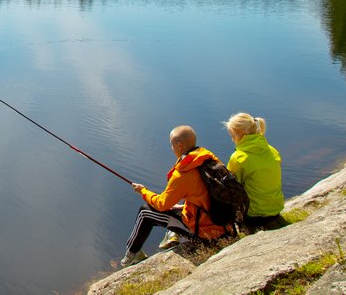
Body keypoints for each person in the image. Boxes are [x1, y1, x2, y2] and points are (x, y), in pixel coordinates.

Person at [121, 125, 226, 266]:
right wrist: (181, 206)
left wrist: (143, 191)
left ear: (180, 145)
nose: (172, 148)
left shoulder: (183, 174)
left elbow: (162, 204)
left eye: (172, 145)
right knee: (174, 208)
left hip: (205, 232)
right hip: (222, 224)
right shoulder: (209, 160)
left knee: (145, 212)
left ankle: (131, 255)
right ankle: (170, 236)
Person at [223, 113, 284, 231]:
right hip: (276, 208)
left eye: (232, 135)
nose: (232, 139)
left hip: (254, 216)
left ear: (239, 134)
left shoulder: (239, 158)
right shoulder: (272, 150)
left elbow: (230, 188)